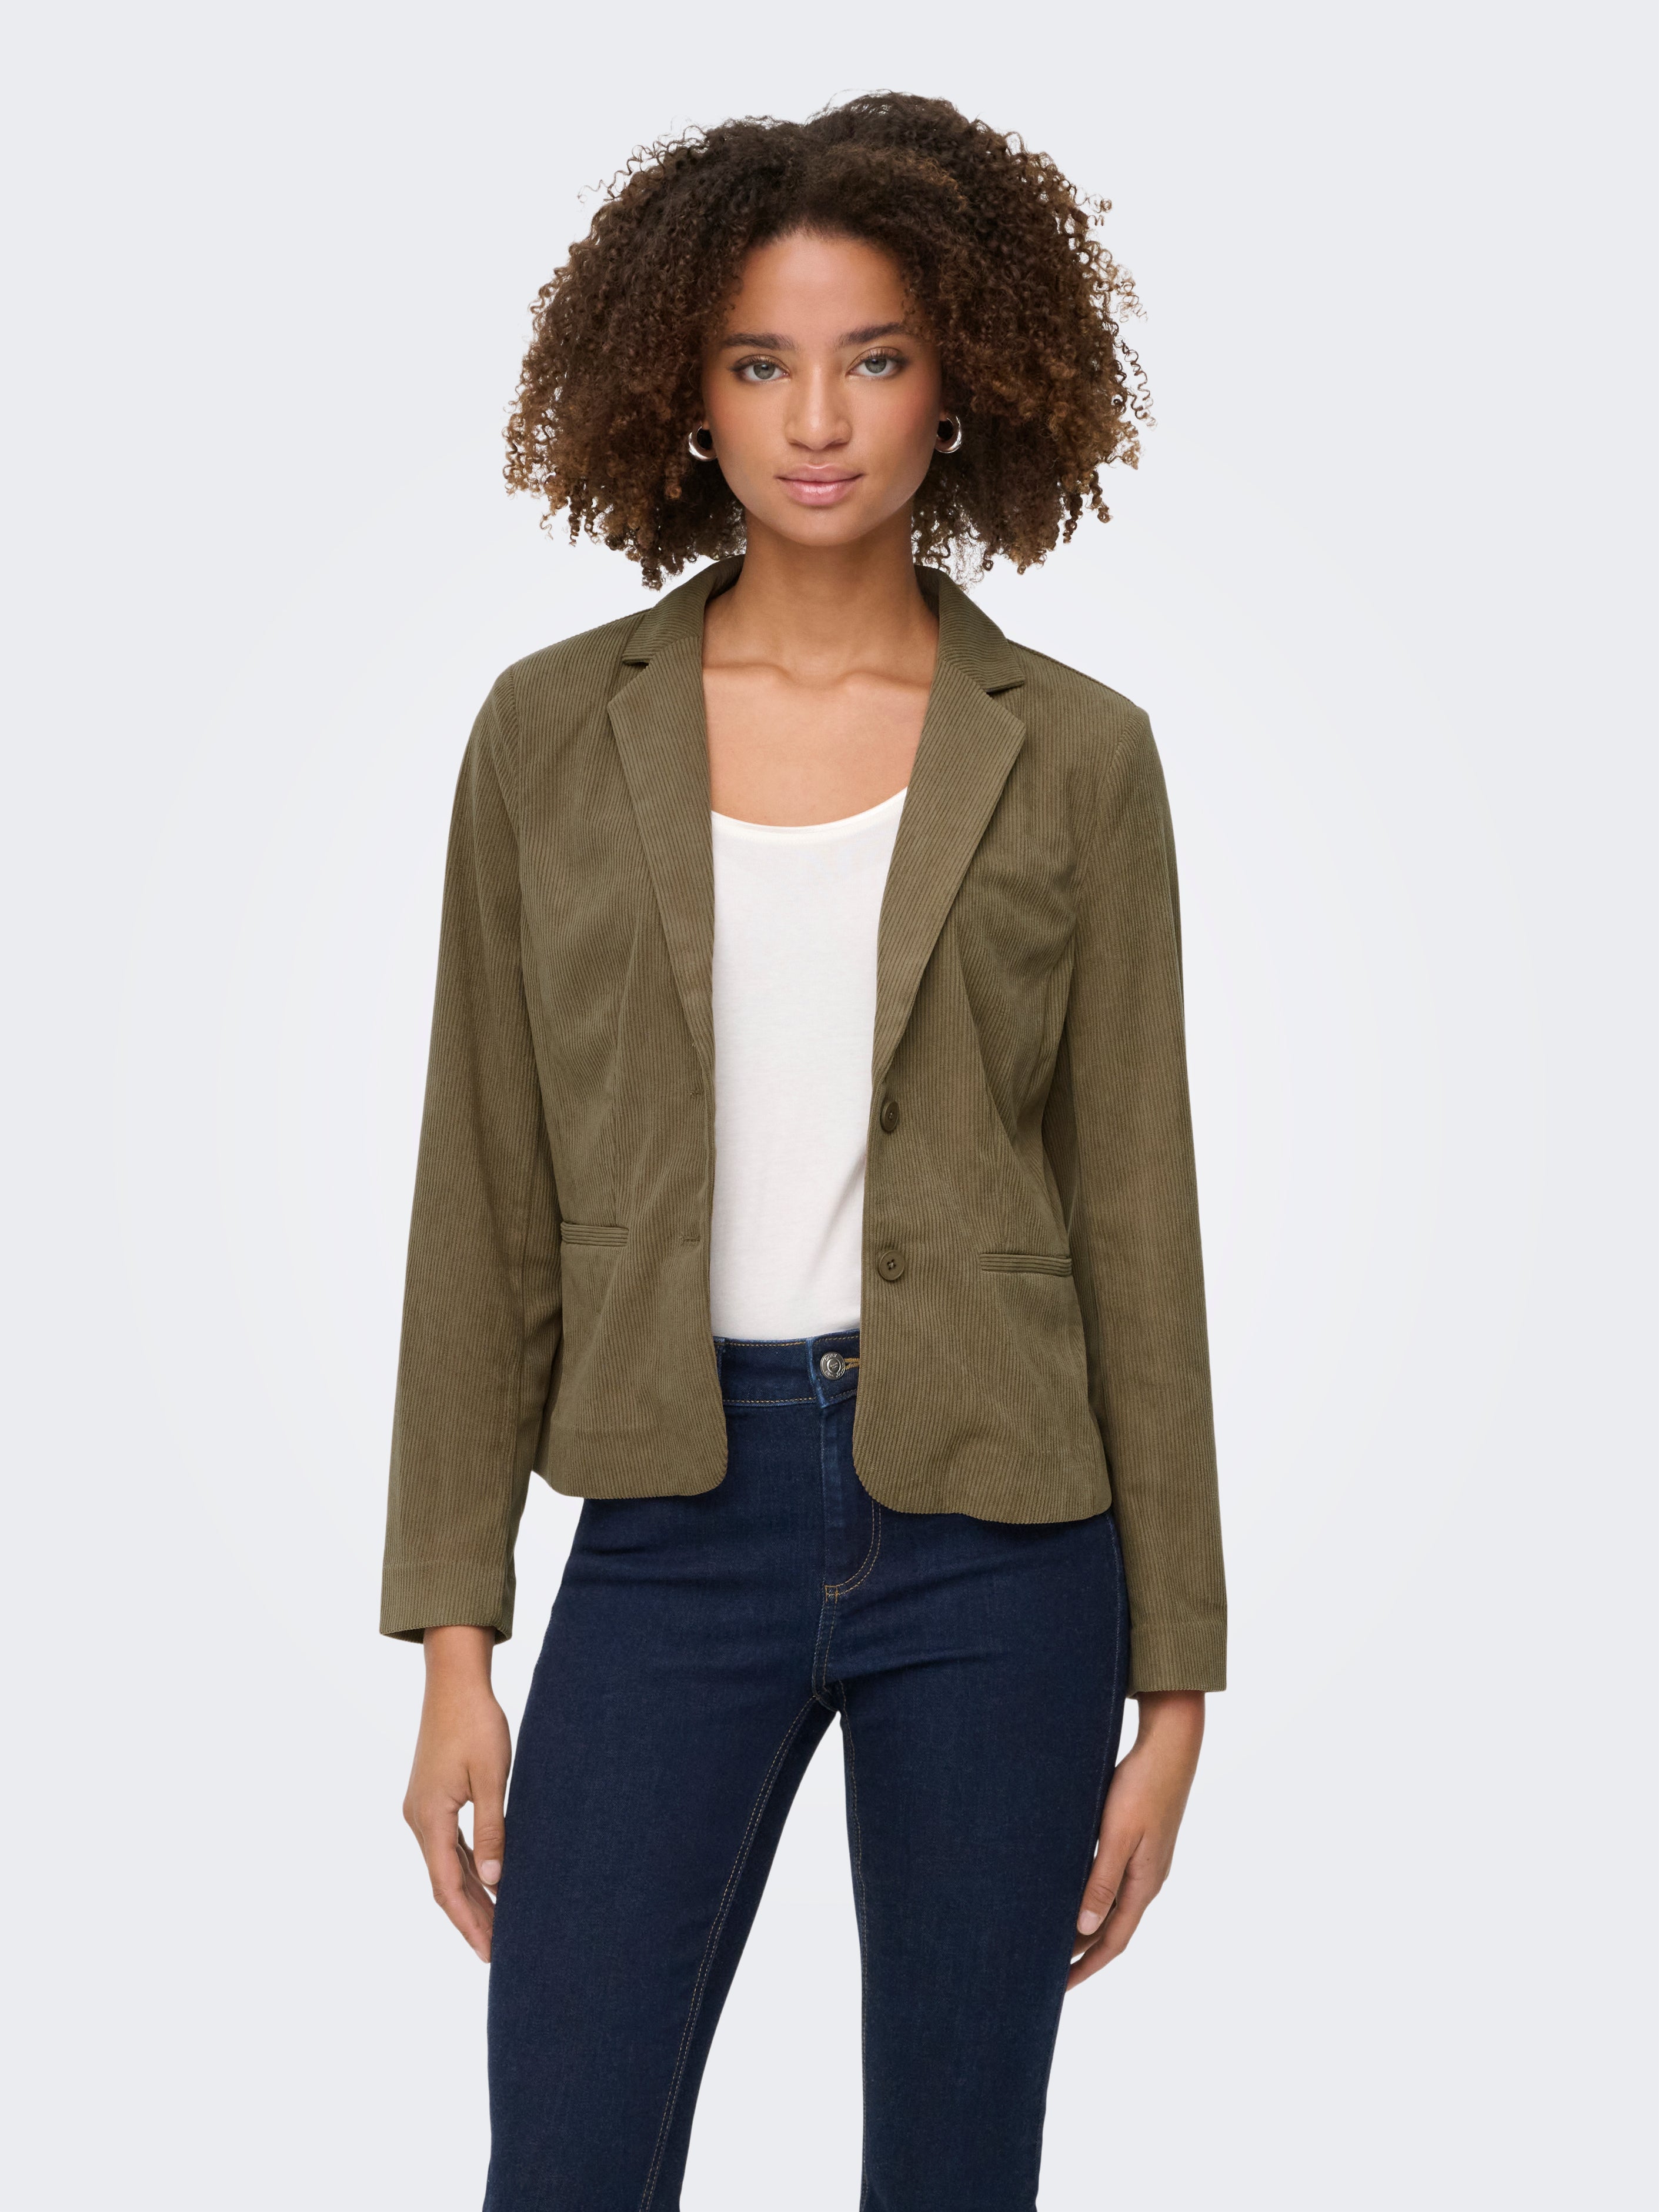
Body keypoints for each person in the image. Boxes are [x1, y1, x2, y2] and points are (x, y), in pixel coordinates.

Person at [382, 91, 1226, 2211]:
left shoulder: (1080, 757)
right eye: (761, 362)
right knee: (568, 2151)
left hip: (1006, 1542)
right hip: (675, 1514)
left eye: (875, 358)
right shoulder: (548, 731)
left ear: (966, 382)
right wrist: (459, 1640)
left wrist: (1178, 1683)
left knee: (957, 2164)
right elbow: (480, 1189)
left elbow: (1139, 1213)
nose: (819, 420)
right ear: (684, 386)